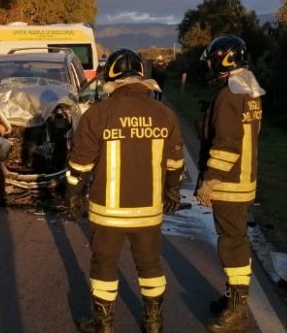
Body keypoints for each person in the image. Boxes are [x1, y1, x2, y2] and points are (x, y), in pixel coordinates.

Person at [66, 48, 185, 333]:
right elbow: (175, 163)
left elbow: (80, 164)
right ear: (143, 77)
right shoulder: (165, 115)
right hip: (148, 210)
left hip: (108, 212)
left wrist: (72, 196)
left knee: (104, 265)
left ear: (111, 77)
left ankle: (103, 323)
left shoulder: (98, 114)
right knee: (150, 265)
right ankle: (154, 322)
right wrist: (172, 192)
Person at [195, 34, 264, 333]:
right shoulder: (249, 88)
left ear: (223, 60)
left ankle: (237, 312)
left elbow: (226, 145)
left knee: (232, 246)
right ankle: (231, 299)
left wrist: (210, 180)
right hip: (244, 179)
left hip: (229, 184)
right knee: (235, 241)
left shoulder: (228, 95)